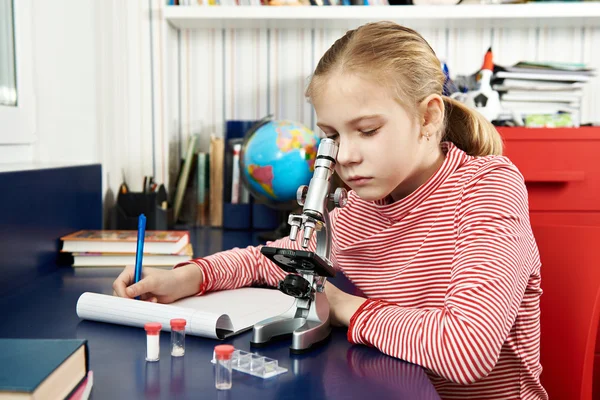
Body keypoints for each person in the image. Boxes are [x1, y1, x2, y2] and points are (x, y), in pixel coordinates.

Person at [113, 22, 547, 399]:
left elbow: (465, 349)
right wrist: (187, 276)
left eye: (368, 130)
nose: (346, 157)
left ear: (429, 118)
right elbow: (274, 258)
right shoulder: (361, 204)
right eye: (332, 136)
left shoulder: (486, 188)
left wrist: (343, 308)